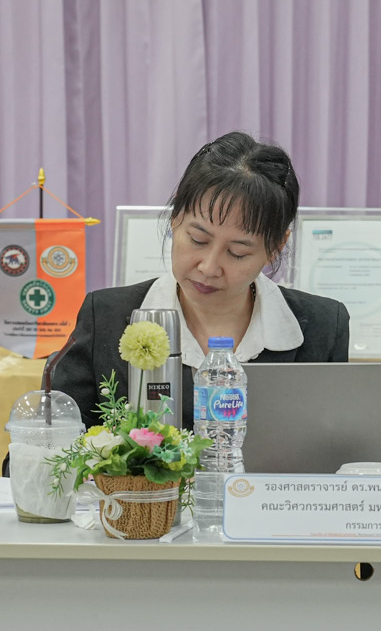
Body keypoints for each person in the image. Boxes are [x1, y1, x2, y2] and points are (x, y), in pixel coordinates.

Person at [47, 132, 350, 426]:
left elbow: (334, 450)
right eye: (198, 240)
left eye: (238, 253)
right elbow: (50, 444)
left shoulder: (322, 327)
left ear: (276, 248)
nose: (209, 267)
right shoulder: (105, 317)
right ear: (175, 217)